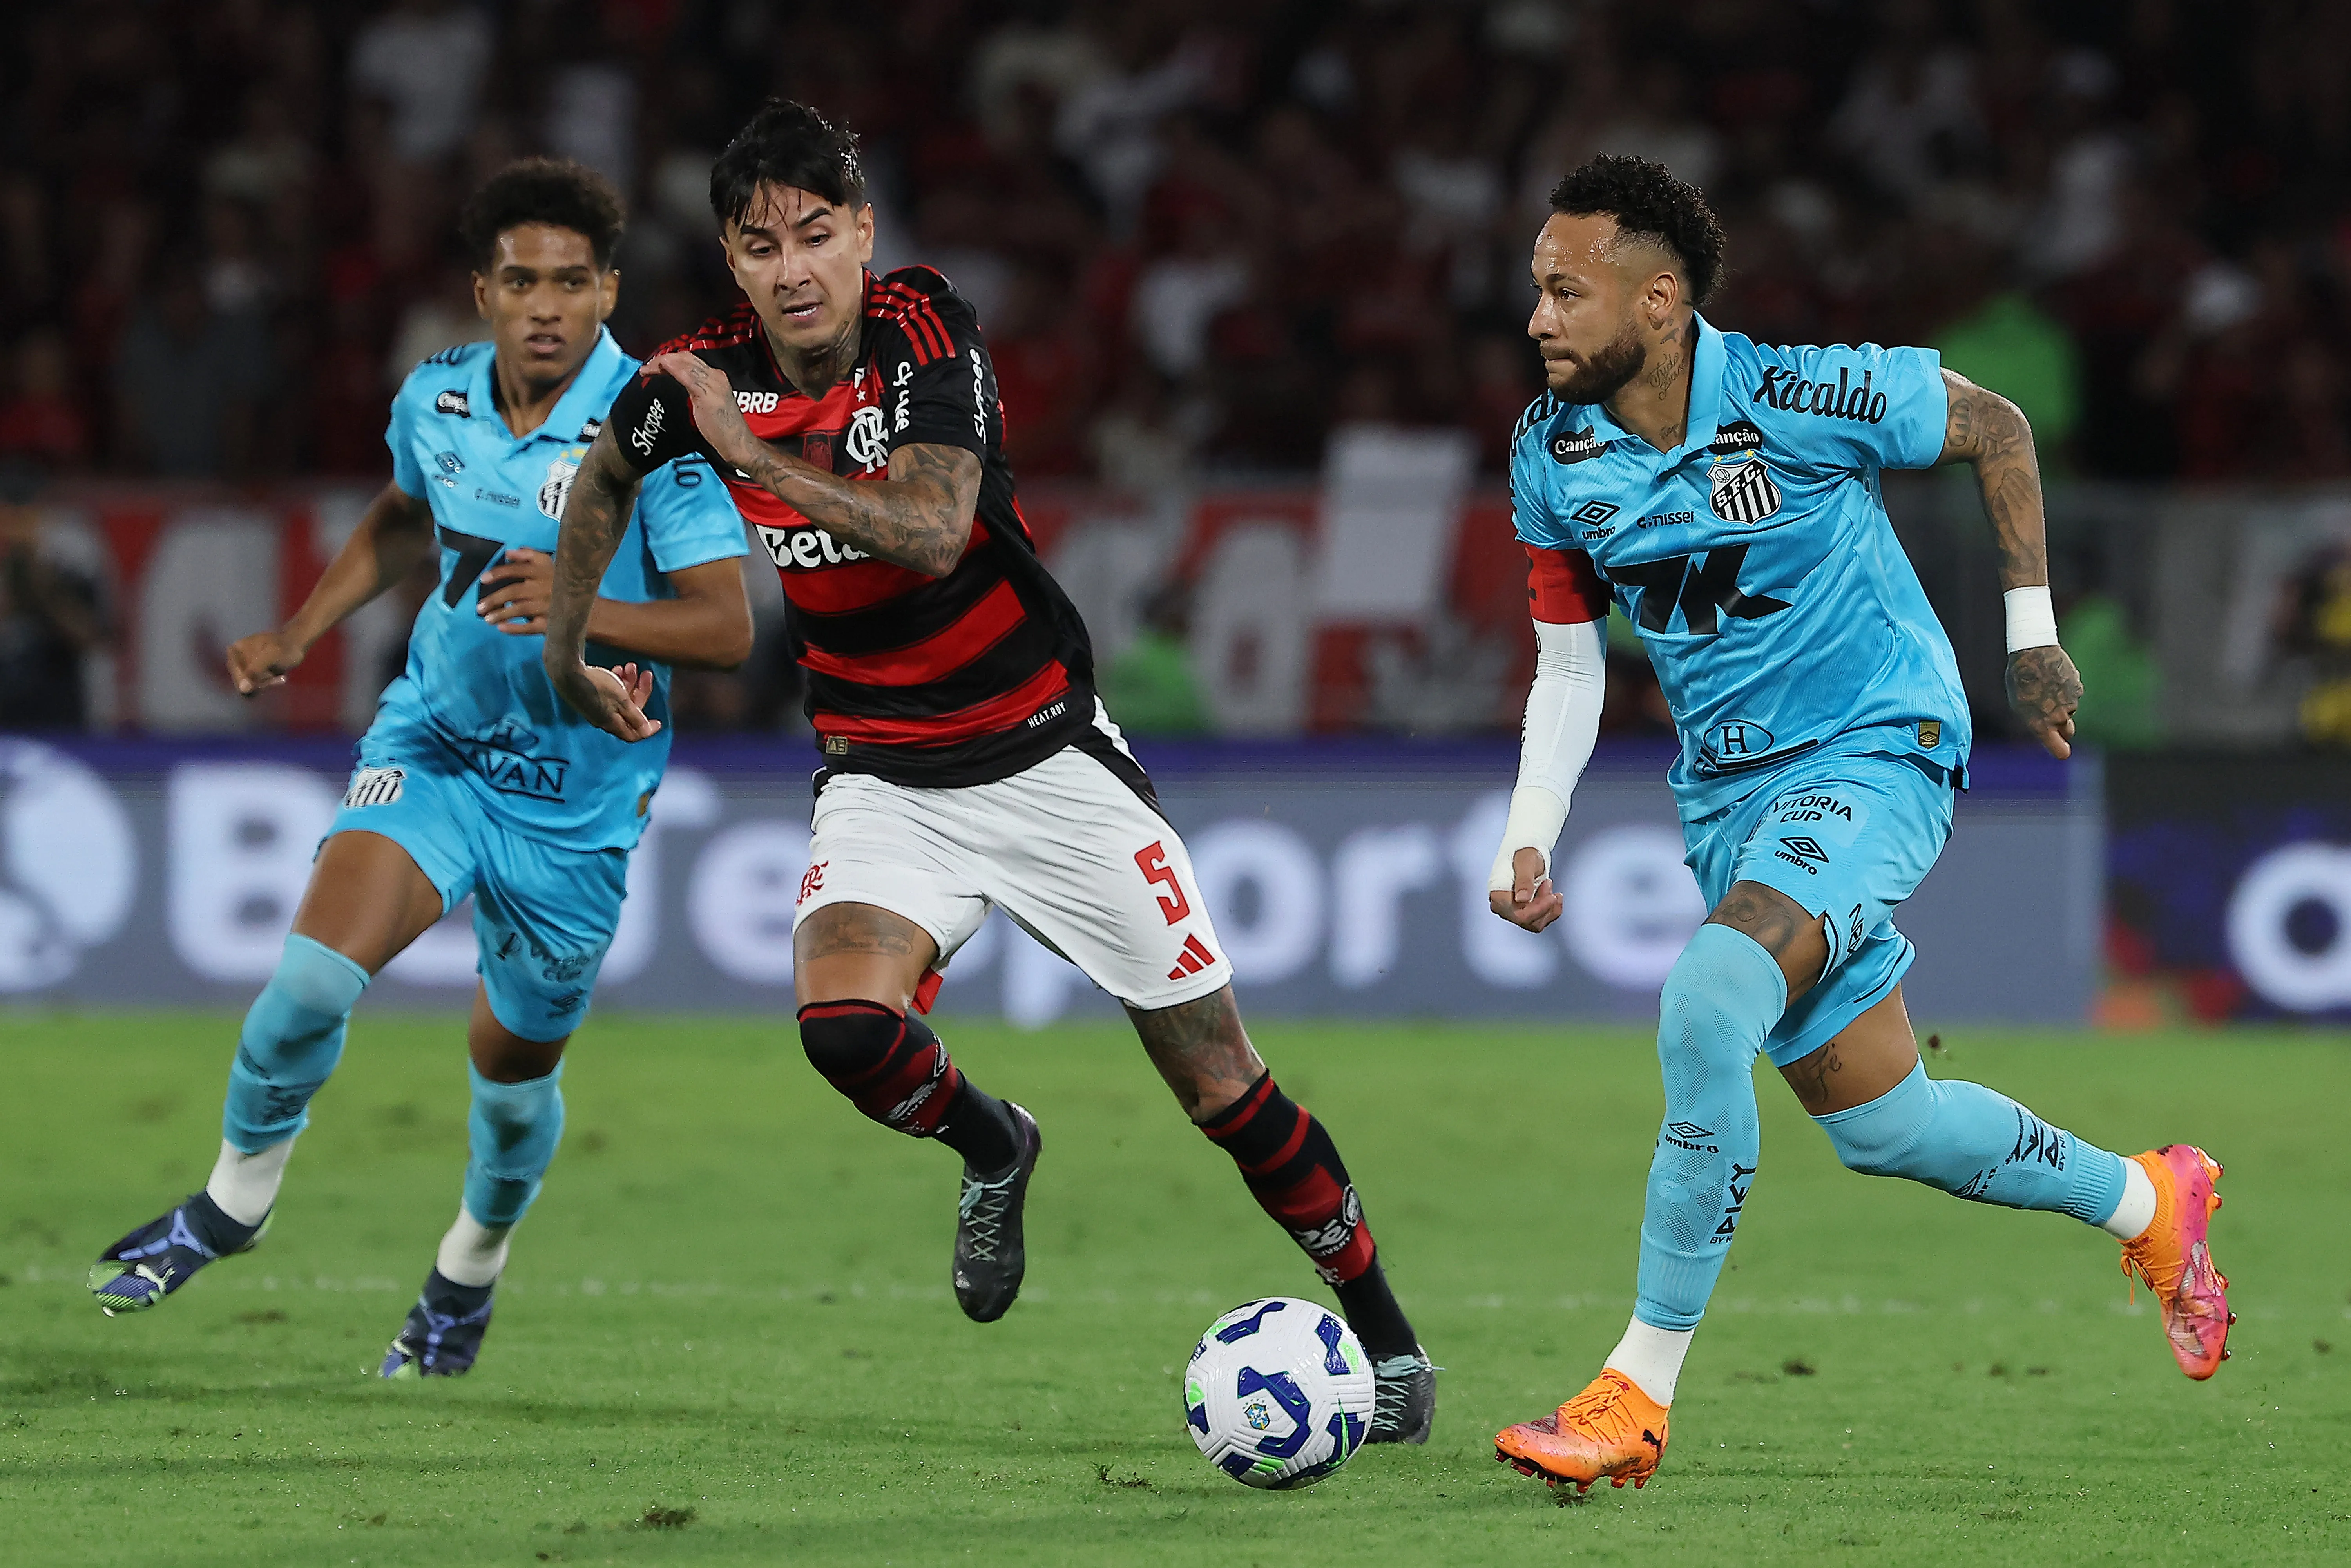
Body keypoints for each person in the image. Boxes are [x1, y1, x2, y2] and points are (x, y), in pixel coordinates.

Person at [541, 100, 1438, 1442]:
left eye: (812, 234)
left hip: (1046, 760)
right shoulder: (696, 374)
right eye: (757, 244)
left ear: (862, 233)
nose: (790, 267)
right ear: (730, 262)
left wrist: (747, 452)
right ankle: (993, 1143)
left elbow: (930, 529)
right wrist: (568, 652)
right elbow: (605, 480)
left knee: (1219, 1086)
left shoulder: (921, 331)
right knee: (843, 1028)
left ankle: (1389, 1343)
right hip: (883, 778)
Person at [1485, 156, 2231, 1492]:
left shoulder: (1801, 391)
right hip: (1729, 796)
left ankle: (1633, 1395)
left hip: (1880, 745)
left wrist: (2034, 642)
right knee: (1885, 1124)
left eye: (1564, 290)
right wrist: (1530, 827)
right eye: (1535, 290)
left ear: (1657, 303)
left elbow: (1996, 425)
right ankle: (2151, 1200)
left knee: (1711, 994)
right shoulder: (1555, 457)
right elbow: (1570, 660)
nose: (1536, 317)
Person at [87, 160, 753, 1379]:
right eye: (519, 282)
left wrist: (579, 606)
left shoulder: (656, 432)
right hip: (436, 747)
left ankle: (468, 1273)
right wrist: (300, 630)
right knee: (302, 989)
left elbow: (725, 629)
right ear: (481, 294)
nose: (544, 305)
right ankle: (234, 1202)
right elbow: (406, 517)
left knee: (506, 1082)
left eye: (570, 282)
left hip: (574, 804)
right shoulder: (435, 398)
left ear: (609, 294)